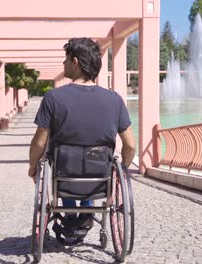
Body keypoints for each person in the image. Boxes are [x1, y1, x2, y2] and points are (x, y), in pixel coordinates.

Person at [28, 37, 136, 243]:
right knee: (94, 159)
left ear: (75, 61)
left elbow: (39, 143)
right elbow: (130, 145)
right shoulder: (115, 100)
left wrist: (33, 166)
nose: (63, 64)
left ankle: (70, 215)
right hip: (100, 179)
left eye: (66, 59)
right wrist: (119, 172)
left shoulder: (53, 97)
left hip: (63, 176)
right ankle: (87, 212)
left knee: (63, 158)